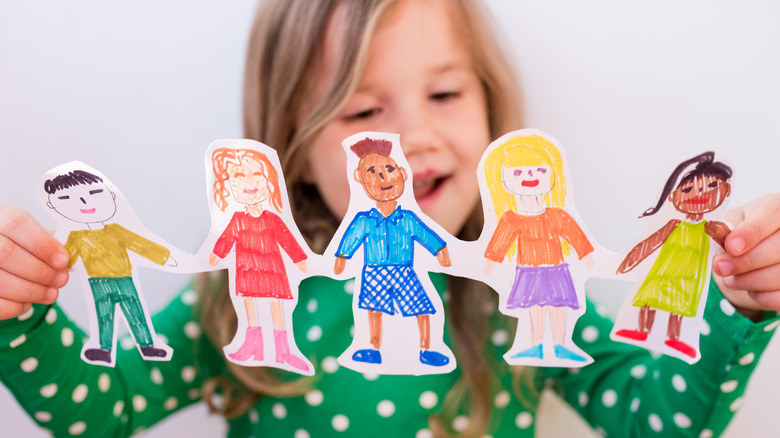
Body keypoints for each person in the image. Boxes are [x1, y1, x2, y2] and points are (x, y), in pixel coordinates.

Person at [1, 0, 780, 436]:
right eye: (365, 111)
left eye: (444, 94)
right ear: (293, 153)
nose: (411, 141)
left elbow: (666, 420)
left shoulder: (519, 301)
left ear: (490, 105)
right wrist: (20, 319)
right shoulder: (237, 299)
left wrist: (738, 306)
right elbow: (96, 411)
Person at [334, 136, 452, 367]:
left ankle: (427, 348)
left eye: (389, 169)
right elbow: (352, 238)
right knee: (374, 311)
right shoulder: (364, 220)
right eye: (373, 173)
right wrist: (342, 256)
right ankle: (373, 348)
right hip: (374, 272)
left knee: (422, 309)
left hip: (405, 272)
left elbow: (425, 234)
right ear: (360, 179)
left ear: (402, 174)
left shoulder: (407, 219)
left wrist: (441, 249)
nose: (383, 178)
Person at [482, 133, 594, 363]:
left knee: (557, 307)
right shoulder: (511, 219)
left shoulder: (557, 215)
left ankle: (561, 345)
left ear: (553, 176)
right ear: (504, 180)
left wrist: (587, 255)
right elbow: (499, 244)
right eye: (518, 172)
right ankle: (534, 345)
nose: (529, 177)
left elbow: (576, 236)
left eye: (540, 171)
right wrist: (489, 263)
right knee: (534, 308)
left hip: (556, 269)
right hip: (528, 271)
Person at [44, 168, 174, 365]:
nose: (83, 203)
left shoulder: (116, 230)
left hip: (125, 280)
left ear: (112, 196)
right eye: (66, 198)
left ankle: (148, 345)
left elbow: (140, 244)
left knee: (135, 312)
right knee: (104, 316)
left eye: (94, 193)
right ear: (52, 206)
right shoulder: (76, 237)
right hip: (97, 283)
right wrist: (47, 264)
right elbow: (63, 259)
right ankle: (104, 348)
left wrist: (165, 258)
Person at [615, 152, 733, 359]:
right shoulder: (673, 224)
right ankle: (641, 330)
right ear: (673, 197)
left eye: (711, 186)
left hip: (688, 277)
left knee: (679, 308)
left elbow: (731, 245)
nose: (699, 193)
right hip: (662, 272)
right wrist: (629, 260)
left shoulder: (712, 227)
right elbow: (650, 243)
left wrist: (740, 250)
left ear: (726, 189)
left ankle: (675, 338)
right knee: (649, 301)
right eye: (687, 189)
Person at [208, 146, 311, 372]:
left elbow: (288, 241)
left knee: (277, 310)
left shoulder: (273, 219)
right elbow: (226, 239)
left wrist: (300, 260)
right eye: (240, 176)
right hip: (246, 273)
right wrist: (216, 255)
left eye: (257, 174)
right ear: (228, 186)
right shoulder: (237, 219)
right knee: (251, 309)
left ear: (269, 180)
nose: (250, 182)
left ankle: (284, 350)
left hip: (273, 272)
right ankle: (251, 345)